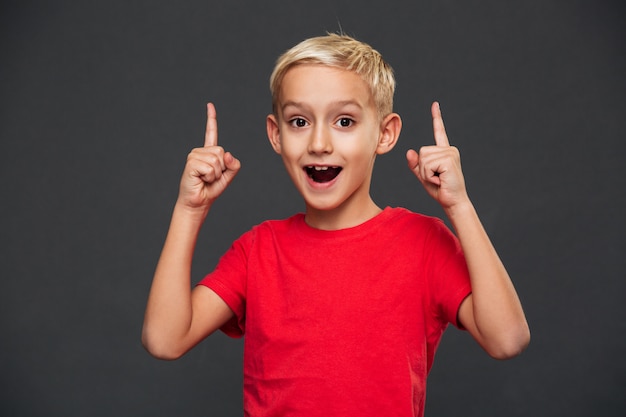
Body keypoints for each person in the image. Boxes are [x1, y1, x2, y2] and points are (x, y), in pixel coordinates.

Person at [142, 33, 530, 416]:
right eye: (299, 121)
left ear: (385, 133)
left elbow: (507, 339)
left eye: (344, 121)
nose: (319, 143)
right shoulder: (259, 250)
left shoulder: (422, 243)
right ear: (276, 135)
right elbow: (164, 340)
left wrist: (459, 205)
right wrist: (189, 210)